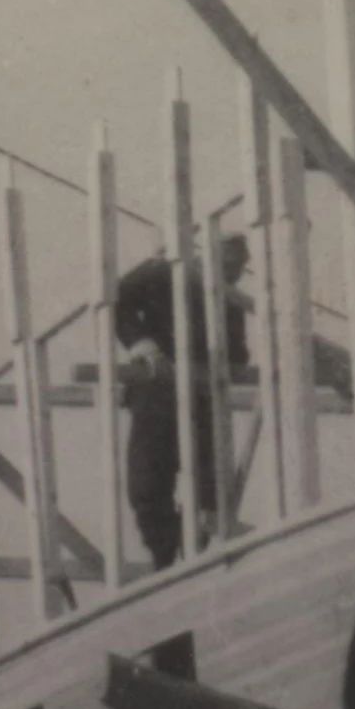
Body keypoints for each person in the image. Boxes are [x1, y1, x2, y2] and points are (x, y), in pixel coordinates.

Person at [113, 234, 253, 570]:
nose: (234, 273)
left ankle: (193, 554)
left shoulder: (229, 297)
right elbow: (116, 298)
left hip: (204, 399)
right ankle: (164, 555)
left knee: (208, 492)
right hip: (157, 393)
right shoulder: (166, 272)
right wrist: (141, 343)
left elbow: (238, 352)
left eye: (238, 267)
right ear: (206, 255)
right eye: (228, 263)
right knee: (148, 484)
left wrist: (229, 363)